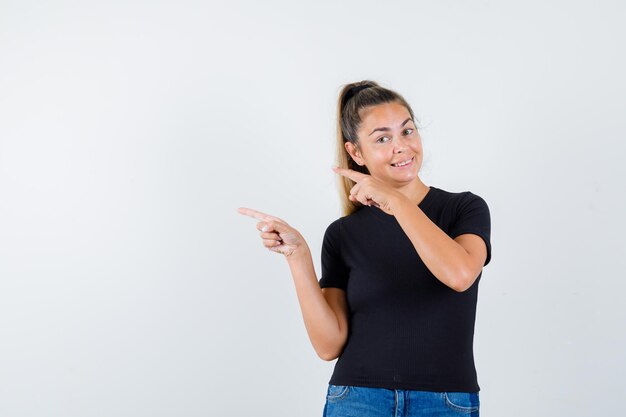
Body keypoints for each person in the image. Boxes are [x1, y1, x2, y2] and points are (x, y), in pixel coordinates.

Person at [237, 80, 491, 417]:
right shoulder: (343, 234)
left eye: (407, 131)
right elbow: (329, 346)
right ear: (356, 153)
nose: (401, 147)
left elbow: (460, 275)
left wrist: (397, 203)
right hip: (358, 399)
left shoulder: (464, 209)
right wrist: (298, 256)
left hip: (445, 402)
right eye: (383, 138)